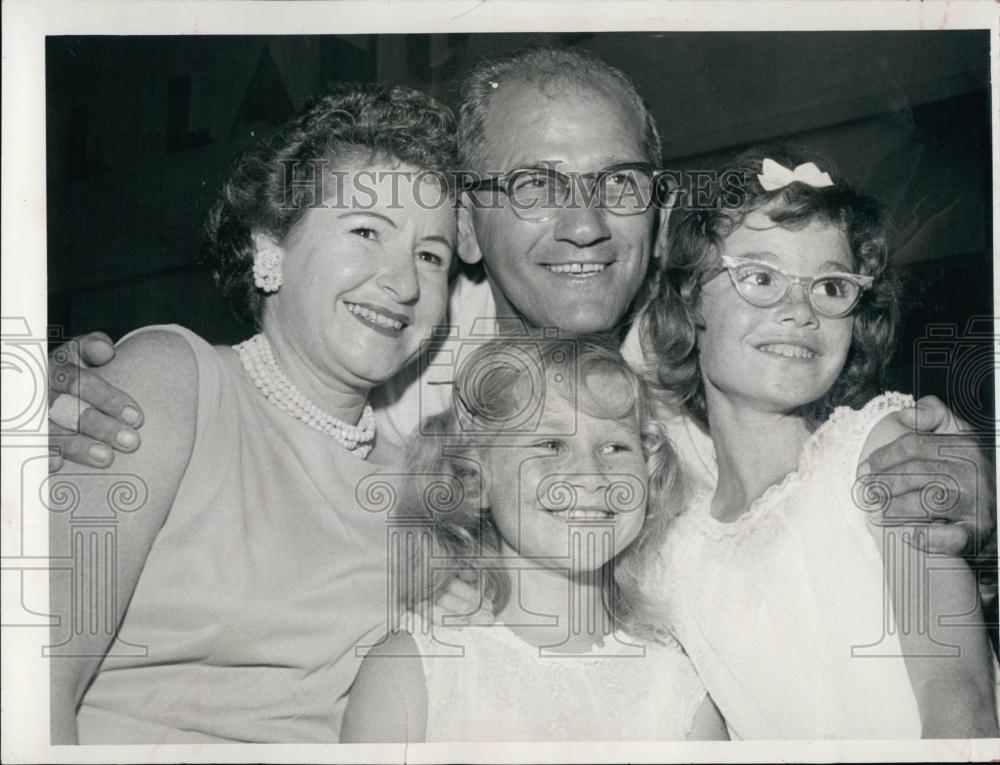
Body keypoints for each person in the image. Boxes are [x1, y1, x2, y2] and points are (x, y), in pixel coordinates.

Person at [48, 47, 995, 565]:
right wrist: (50, 404)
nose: (584, 225)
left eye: (619, 184)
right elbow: (234, 399)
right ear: (465, 225)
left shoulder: (725, 372)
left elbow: (846, 486)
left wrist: (964, 489)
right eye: (536, 184)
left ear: (662, 221)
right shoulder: (387, 348)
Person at [48, 83, 462, 743]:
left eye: (431, 255)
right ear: (271, 245)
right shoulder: (173, 380)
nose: (404, 282)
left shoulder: (421, 491)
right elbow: (33, 685)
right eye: (365, 231)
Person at [617, 147, 999, 739]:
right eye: (761, 277)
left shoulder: (882, 455)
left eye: (830, 285)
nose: (799, 311)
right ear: (692, 298)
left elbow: (964, 710)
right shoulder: (671, 551)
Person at [341, 336, 727, 742]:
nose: (591, 476)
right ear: (476, 479)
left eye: (615, 446)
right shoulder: (415, 670)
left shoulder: (681, 695)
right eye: (551, 444)